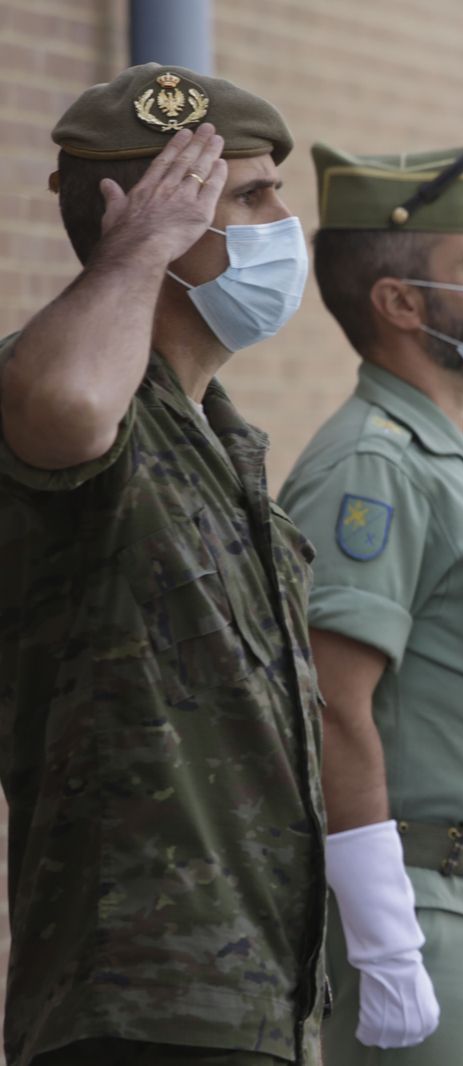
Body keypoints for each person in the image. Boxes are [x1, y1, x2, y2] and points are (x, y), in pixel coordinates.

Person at [0, 64, 325, 1066]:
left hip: (251, 989)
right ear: (161, 224)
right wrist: (135, 255)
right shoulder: (70, 394)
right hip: (135, 992)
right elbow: (58, 405)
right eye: (251, 196)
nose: (283, 224)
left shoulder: (221, 439)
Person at [278, 140, 463, 1064]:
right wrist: (382, 936)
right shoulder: (375, 466)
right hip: (422, 911)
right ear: (401, 303)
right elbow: (329, 704)